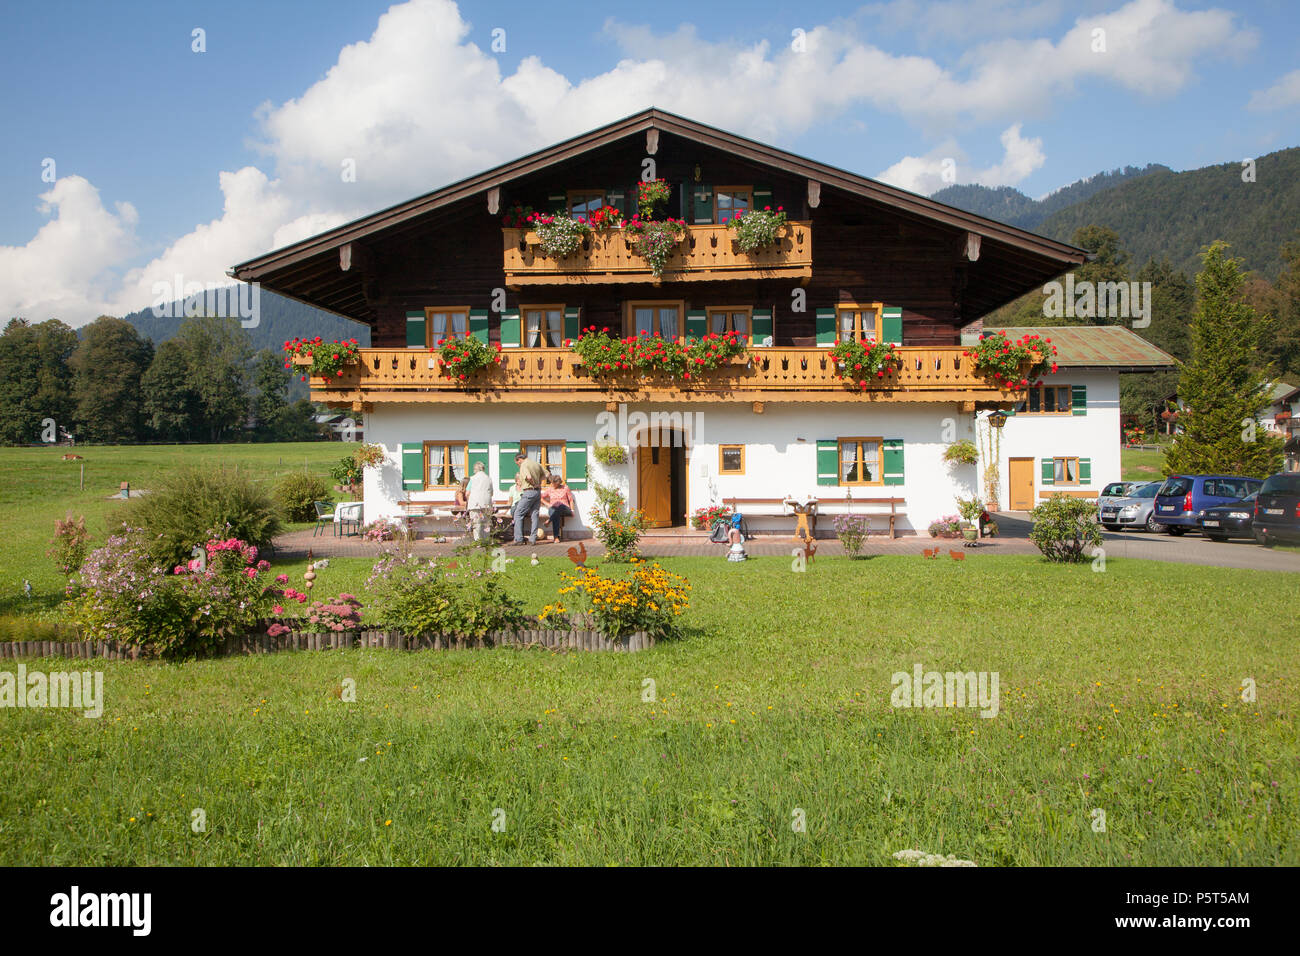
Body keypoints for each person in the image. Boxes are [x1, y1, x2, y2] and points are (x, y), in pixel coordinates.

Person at [513, 452, 546, 545]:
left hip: (529, 491)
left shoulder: (524, 465)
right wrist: (538, 483)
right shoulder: (536, 463)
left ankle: (519, 539)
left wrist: (533, 483)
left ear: (519, 459)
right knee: (534, 514)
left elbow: (528, 477)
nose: (518, 465)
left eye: (517, 463)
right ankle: (533, 539)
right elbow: (546, 475)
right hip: (537, 492)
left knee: (518, 514)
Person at [540, 474, 575, 542]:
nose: (552, 485)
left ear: (558, 483)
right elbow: (540, 497)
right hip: (553, 508)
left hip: (564, 508)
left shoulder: (565, 488)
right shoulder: (550, 489)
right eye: (551, 483)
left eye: (553, 483)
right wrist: (547, 504)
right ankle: (556, 537)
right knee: (555, 513)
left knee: (560, 506)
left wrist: (572, 510)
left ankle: (549, 521)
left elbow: (570, 500)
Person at [466, 461, 494, 542]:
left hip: (475, 503)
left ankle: (478, 541)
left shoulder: (472, 478)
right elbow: (492, 493)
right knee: (486, 523)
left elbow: (467, 493)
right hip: (486, 503)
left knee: (476, 523)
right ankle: (486, 540)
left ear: (475, 469)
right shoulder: (489, 479)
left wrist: (468, 501)